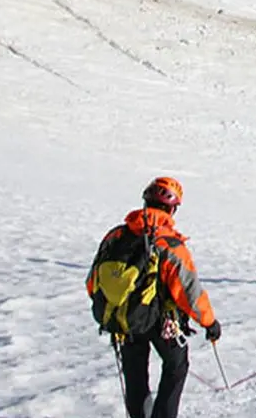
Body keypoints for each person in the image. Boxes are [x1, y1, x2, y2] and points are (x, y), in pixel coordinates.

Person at [87, 177, 222, 418]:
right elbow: (189, 292)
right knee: (176, 367)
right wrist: (210, 323)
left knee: (134, 373)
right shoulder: (169, 244)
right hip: (162, 322)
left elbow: (93, 281)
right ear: (172, 208)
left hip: (125, 318)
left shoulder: (116, 236)